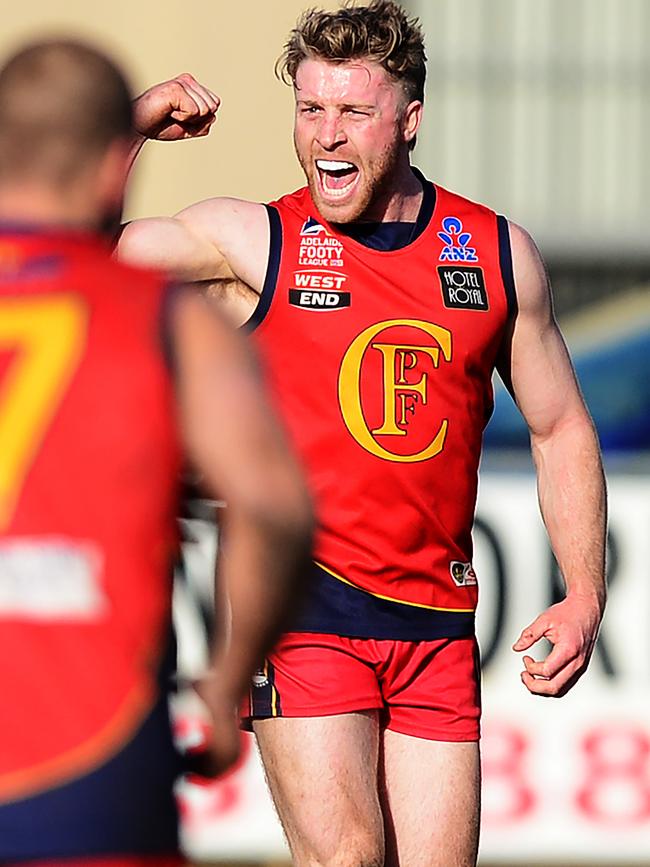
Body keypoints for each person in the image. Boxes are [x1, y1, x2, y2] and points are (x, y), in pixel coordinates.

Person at [119, 2, 607, 865]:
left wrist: (584, 592)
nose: (326, 137)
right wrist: (130, 132)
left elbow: (560, 424)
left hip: (435, 618)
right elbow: (67, 254)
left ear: (409, 120)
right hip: (300, 602)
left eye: (352, 111)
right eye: (310, 109)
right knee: (345, 856)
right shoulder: (255, 239)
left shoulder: (495, 254)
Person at [0, 39, 312, 867]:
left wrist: (118, 126)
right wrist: (228, 677)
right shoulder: (166, 320)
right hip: (87, 756)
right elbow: (274, 504)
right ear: (111, 169)